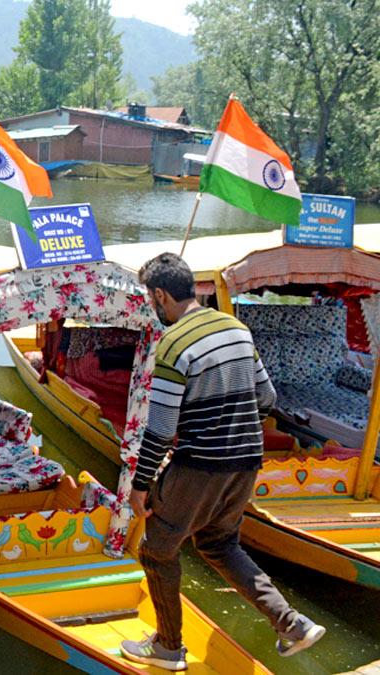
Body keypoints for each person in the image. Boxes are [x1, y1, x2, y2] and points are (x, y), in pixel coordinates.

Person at [120, 253, 325, 671]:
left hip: (201, 465)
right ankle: (292, 625)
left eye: (150, 298)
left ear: (160, 295)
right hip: (247, 460)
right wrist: (234, 421)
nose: (151, 305)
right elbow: (267, 397)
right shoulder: (236, 329)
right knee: (218, 544)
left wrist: (140, 487)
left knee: (157, 552)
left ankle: (167, 648)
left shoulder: (173, 343)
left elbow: (160, 430)